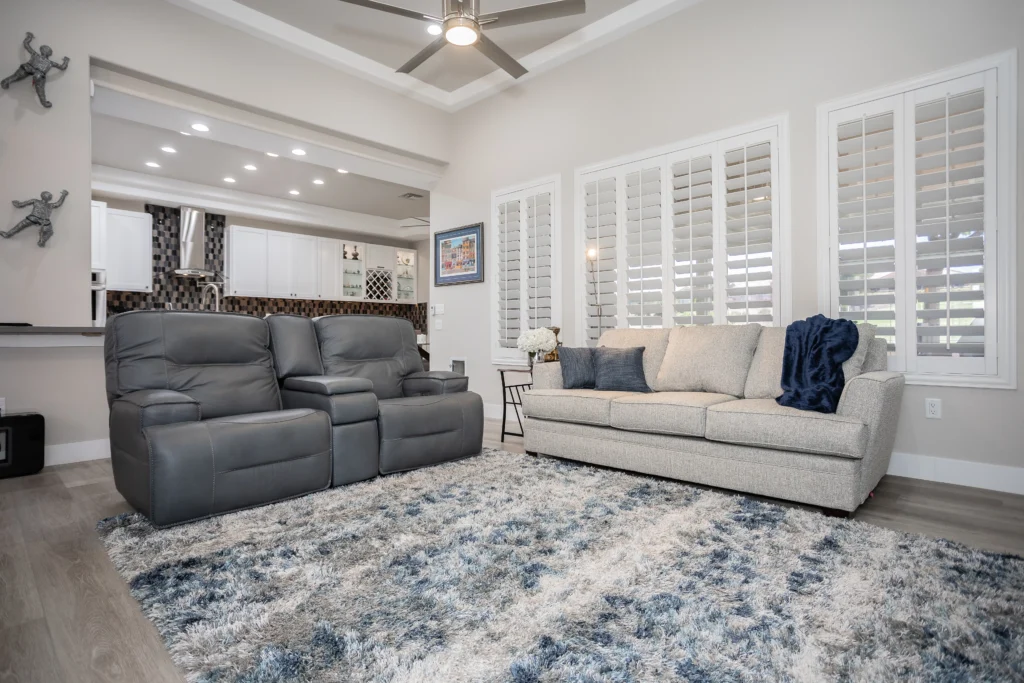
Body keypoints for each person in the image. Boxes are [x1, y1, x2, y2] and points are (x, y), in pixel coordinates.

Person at [1, 33, 70, 108]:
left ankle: (5, 82)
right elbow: (62, 67)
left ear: (41, 51)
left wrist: (29, 37)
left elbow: (26, 44)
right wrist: (66, 61)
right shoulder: (50, 62)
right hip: (37, 73)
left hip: (29, 69)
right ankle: (44, 102)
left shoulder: (36, 55)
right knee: (39, 89)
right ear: (49, 54)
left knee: (16, 77)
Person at [3, 190, 68, 247]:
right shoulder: (50, 205)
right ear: (49, 198)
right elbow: (58, 203)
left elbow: (21, 204)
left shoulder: (35, 201)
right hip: (45, 221)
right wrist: (63, 195)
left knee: (19, 226)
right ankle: (42, 241)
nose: (51, 196)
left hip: (33, 218)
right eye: (50, 195)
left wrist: (16, 203)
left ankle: (8, 234)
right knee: (49, 232)